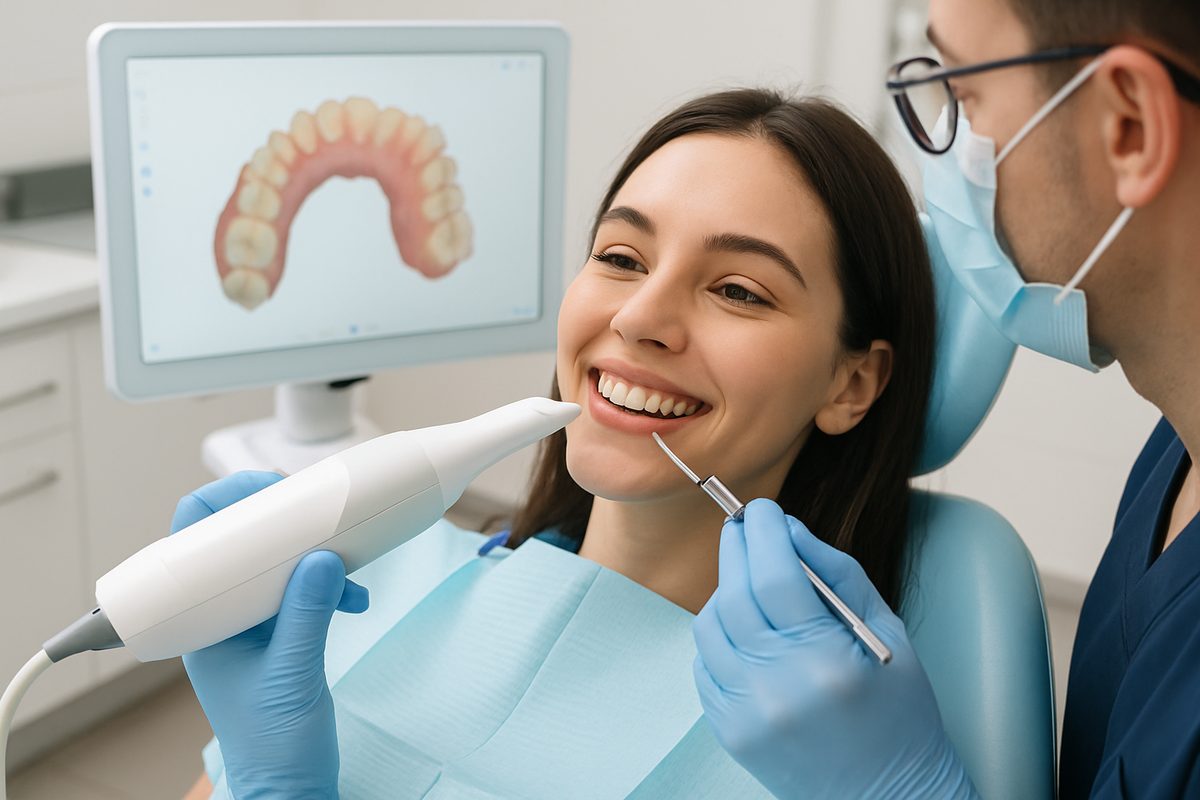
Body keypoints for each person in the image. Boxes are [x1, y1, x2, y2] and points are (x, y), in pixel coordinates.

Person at [178, 88, 939, 799]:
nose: (639, 317)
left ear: (853, 384)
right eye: (621, 258)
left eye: (738, 289)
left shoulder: (841, 750)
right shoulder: (366, 584)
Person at [690, 0, 1200, 797]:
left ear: (1128, 126)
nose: (948, 158)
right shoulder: (1177, 454)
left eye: (965, 97)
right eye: (618, 255)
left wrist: (905, 786)